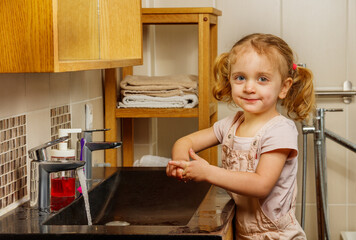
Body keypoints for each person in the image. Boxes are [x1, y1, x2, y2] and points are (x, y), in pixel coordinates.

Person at [166, 33, 315, 239]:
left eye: (262, 79)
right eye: (240, 77)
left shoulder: (280, 130)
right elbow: (186, 141)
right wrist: (181, 162)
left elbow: (261, 185)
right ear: (230, 80)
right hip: (242, 231)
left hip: (275, 235)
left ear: (284, 87)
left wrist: (208, 172)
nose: (249, 87)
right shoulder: (231, 124)